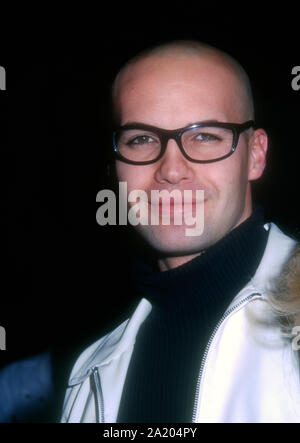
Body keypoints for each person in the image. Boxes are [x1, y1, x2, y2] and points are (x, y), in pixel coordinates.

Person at [60, 40, 300, 423]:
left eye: (205, 136)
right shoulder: (88, 376)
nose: (172, 170)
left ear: (255, 155)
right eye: (141, 139)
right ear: (115, 166)